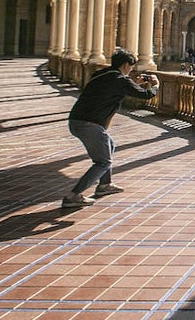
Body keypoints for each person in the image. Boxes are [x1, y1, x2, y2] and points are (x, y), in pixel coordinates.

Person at [61, 49, 157, 209]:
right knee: (103, 162)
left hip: (76, 120)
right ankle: (73, 196)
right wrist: (156, 85)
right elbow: (146, 95)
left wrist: (133, 84)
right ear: (126, 65)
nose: (131, 70)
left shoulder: (101, 74)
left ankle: (105, 185)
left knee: (110, 145)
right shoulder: (120, 80)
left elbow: (107, 90)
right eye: (131, 67)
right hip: (89, 124)